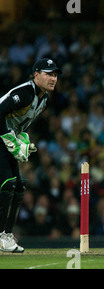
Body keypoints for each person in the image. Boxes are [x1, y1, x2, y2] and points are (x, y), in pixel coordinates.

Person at [0, 58, 61, 252]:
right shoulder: (26, 93)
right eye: (48, 74)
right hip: (0, 137)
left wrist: (21, 138)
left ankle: (6, 237)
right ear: (36, 75)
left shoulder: (43, 100)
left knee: (18, 186)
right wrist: (8, 136)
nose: (53, 78)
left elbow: (19, 123)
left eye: (55, 74)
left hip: (5, 139)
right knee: (8, 184)